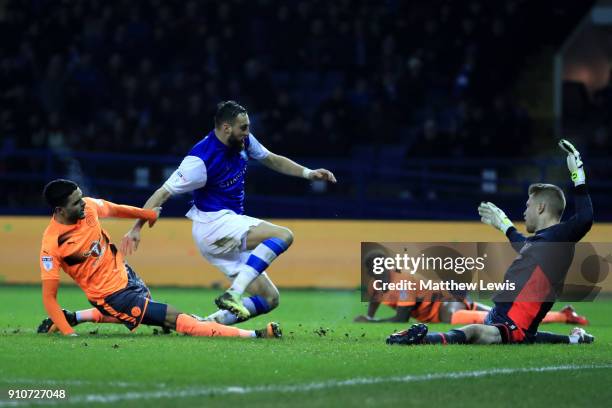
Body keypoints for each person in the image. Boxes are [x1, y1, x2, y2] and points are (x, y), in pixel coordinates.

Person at [121, 101, 336, 324]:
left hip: (227, 227)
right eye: (243, 127)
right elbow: (162, 192)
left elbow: (271, 159)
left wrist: (309, 173)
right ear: (226, 128)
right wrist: (136, 227)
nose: (248, 133)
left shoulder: (242, 142)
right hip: (213, 225)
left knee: (270, 299)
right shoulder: (200, 159)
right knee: (283, 235)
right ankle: (234, 293)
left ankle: (205, 325)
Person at [387, 140, 594, 345]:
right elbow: (525, 244)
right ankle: (575, 339)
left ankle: (423, 340)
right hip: (503, 318)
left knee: (473, 331)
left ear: (540, 208)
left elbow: (584, 219)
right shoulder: (544, 242)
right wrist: (505, 226)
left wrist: (578, 175)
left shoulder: (560, 238)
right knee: (521, 334)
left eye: (528, 205)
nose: (524, 211)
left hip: (511, 326)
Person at [37, 179, 280, 339]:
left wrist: (147, 214)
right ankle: (254, 335)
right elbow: (49, 296)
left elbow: (116, 209)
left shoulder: (88, 208)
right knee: (177, 319)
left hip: (125, 274)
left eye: (81, 197)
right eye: (76, 202)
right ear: (59, 210)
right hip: (111, 296)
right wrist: (69, 335)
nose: (83, 203)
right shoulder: (51, 245)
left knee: (151, 317)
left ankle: (75, 316)